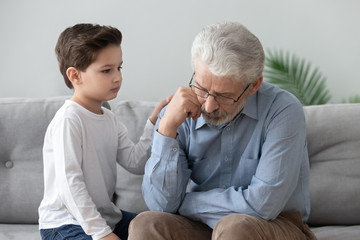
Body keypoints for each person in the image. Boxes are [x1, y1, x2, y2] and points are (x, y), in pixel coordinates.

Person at [128, 22, 317, 240]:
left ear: (254, 86)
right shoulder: (180, 110)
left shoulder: (283, 110)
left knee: (235, 228)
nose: (208, 106)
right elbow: (160, 205)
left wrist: (183, 203)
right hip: (201, 225)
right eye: (201, 88)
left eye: (224, 95)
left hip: (274, 225)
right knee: (146, 225)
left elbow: (264, 205)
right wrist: (167, 128)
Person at [38, 23, 170, 240]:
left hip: (106, 217)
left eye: (120, 67)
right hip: (65, 224)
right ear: (75, 76)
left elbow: (135, 163)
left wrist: (154, 122)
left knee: (158, 227)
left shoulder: (109, 118)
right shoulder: (69, 120)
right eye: (106, 70)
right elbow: (70, 185)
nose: (117, 77)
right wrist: (102, 234)